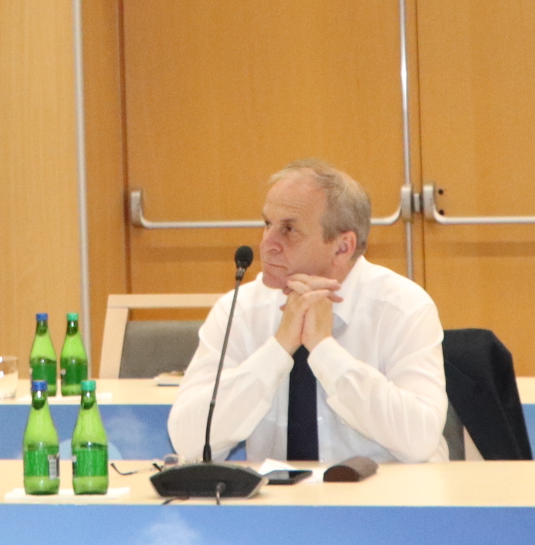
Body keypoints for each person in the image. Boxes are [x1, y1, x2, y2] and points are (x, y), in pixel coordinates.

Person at [167, 160, 447, 466]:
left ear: (342, 247)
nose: (267, 244)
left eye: (289, 230)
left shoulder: (402, 307)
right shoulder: (241, 309)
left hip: (387, 493)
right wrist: (278, 349)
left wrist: (324, 350)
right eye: (267, 224)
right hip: (276, 495)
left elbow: (420, 440)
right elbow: (189, 443)